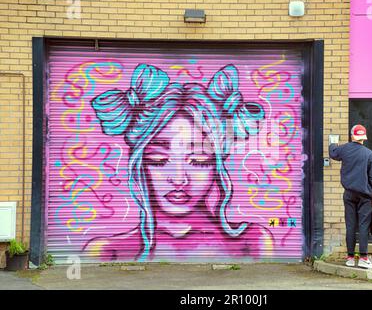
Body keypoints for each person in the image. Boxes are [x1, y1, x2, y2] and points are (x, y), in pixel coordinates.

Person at [84, 63, 274, 262]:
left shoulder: (253, 242)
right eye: (158, 160)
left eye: (198, 161)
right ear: (140, 164)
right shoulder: (107, 252)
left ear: (217, 166)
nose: (178, 179)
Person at [329, 124, 372, 270]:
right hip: (365, 197)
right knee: (363, 226)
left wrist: (333, 142)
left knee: (350, 226)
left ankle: (350, 258)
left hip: (349, 194)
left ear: (352, 136)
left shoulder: (344, 150)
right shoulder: (371, 155)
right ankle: (364, 258)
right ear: (364, 138)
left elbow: (333, 152)